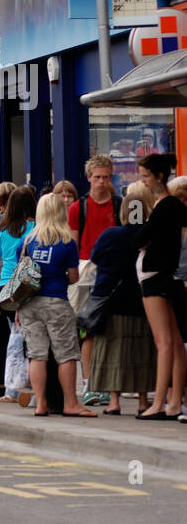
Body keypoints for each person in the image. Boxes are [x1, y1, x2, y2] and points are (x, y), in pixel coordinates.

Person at [86, 181, 154, 416]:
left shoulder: (111, 234)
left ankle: (114, 401)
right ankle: (144, 401)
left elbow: (94, 258)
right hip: (142, 301)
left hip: (111, 302)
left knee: (112, 351)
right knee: (142, 350)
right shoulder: (150, 237)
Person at [17, 193, 88, 417]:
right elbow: (74, 277)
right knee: (65, 354)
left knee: (37, 355)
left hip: (30, 303)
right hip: (57, 301)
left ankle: (40, 404)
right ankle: (70, 403)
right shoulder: (67, 242)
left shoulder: (27, 241)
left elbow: (22, 274)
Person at [133, 153, 187, 420]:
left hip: (154, 275)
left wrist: (144, 239)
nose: (142, 181)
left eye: (145, 176)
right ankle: (174, 402)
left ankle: (159, 402)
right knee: (175, 342)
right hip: (166, 274)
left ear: (159, 176)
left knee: (163, 342)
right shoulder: (174, 207)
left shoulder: (164, 206)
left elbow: (141, 238)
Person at [67, 156, 119, 405]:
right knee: (87, 330)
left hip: (113, 273)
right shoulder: (78, 207)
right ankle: (88, 383)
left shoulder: (120, 205)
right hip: (86, 271)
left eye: (106, 177)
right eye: (97, 177)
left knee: (111, 330)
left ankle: (108, 383)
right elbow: (73, 243)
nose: (101, 182)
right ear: (88, 178)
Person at [0, 187, 36, 403]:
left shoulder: (1, 230)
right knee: (32, 339)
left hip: (6, 290)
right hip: (29, 287)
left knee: (14, 336)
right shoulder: (36, 228)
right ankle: (30, 387)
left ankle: (12, 388)